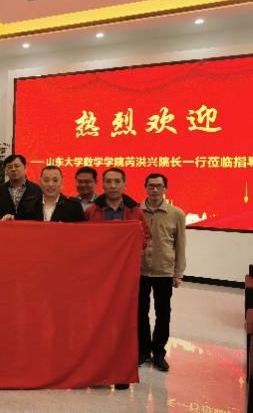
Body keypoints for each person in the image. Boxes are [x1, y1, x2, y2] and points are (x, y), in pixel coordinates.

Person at [85, 167, 149, 390]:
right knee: (96, 323)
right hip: (97, 277)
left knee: (123, 324)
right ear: (102, 185)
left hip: (124, 278)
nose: (112, 186)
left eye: (117, 181)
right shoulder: (92, 211)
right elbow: (83, 241)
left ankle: (121, 372)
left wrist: (128, 241)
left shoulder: (135, 212)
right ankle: (96, 371)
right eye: (108, 181)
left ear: (124, 184)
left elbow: (145, 239)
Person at [139, 173, 186, 372]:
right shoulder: (136, 212)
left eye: (159, 186)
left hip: (164, 271)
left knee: (163, 313)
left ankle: (158, 352)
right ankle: (142, 350)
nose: (155, 190)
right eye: (151, 186)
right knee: (140, 312)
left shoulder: (176, 214)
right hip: (140, 271)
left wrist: (178, 272)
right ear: (145, 188)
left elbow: (180, 245)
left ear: (165, 189)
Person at [0, 154, 42, 220]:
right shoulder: (0, 190)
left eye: (16, 166)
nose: (13, 169)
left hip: (28, 226)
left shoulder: (36, 190)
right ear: (6, 171)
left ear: (25, 168)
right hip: (6, 226)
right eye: (9, 167)